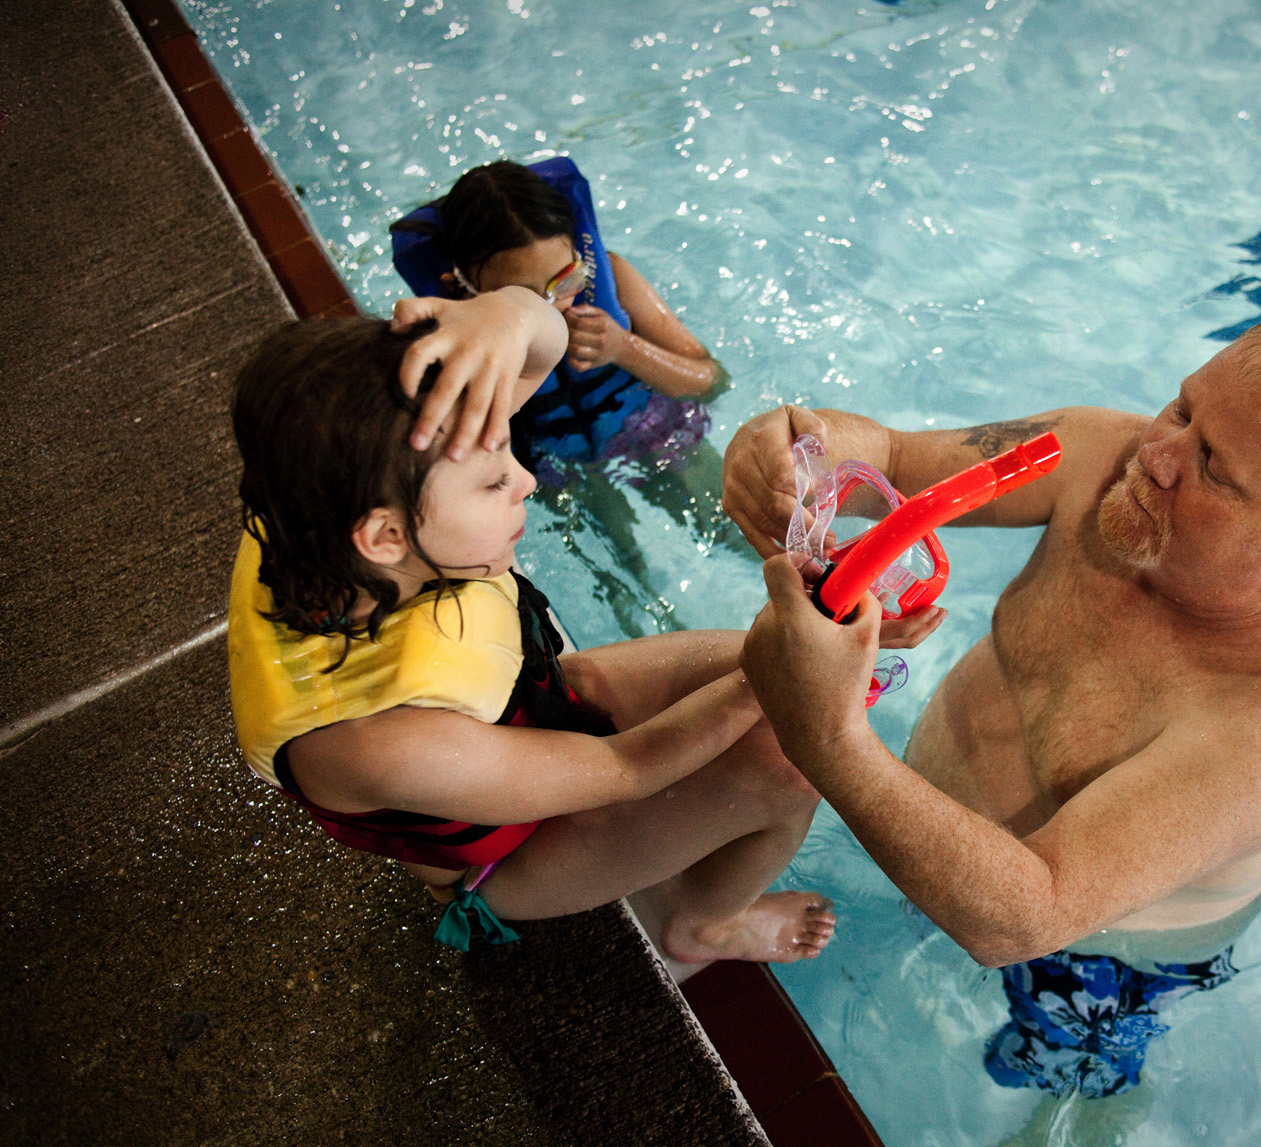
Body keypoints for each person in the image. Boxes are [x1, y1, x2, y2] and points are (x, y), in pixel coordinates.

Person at [724, 313, 1261, 1107]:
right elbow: (890, 455)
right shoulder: (1098, 455)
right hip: (913, 819)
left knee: (1058, 1093)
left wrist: (826, 735)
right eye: (1182, 408)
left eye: (1212, 465)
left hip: (1098, 958)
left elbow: (1026, 917)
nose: (1155, 455)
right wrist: (798, 454)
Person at [227, 285, 834, 966]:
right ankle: (705, 925)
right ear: (386, 536)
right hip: (507, 860)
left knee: (790, 697)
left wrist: (510, 316)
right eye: (494, 483)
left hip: (532, 704)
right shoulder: (375, 739)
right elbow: (622, 768)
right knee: (792, 761)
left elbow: (543, 350)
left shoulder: (347, 496)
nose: (528, 483)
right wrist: (766, 677)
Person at [392, 158, 743, 600]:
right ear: (462, 288)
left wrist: (625, 348)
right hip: (562, 470)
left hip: (652, 431)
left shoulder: (612, 277)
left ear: (580, 253)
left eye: (566, 279)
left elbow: (712, 381)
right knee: (624, 574)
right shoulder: (460, 344)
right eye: (522, 299)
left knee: (734, 525)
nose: (554, 305)